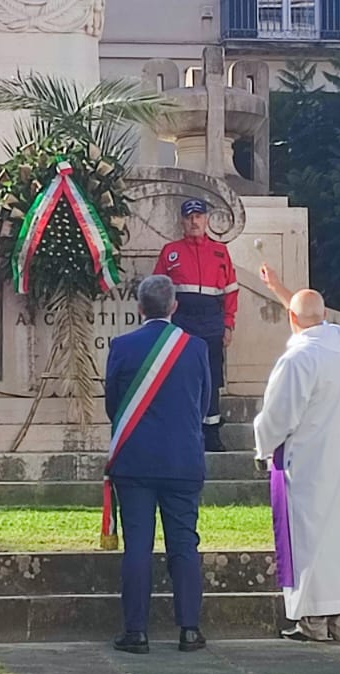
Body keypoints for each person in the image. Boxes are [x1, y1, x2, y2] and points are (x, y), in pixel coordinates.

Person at [104, 275, 213, 654]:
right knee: (184, 544)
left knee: (138, 545)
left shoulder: (122, 346)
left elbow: (113, 405)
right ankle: (189, 630)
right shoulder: (196, 348)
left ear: (139, 308)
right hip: (183, 459)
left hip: (134, 461)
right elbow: (203, 402)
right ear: (174, 306)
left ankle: (136, 632)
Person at [253, 289, 340, 643]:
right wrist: (280, 289)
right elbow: (310, 314)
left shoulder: (298, 359)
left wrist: (261, 446)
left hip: (306, 463)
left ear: (290, 320)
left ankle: (313, 622)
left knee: (307, 539)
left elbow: (278, 415)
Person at [153, 198, 237, 452]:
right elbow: (158, 288)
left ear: (206, 219)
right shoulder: (170, 251)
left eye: (199, 216)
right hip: (182, 321)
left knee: (211, 378)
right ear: (182, 220)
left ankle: (211, 433)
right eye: (189, 217)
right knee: (181, 376)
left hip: (212, 320)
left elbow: (231, 290)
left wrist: (229, 324)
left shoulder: (220, 251)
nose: (194, 221)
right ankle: (184, 431)